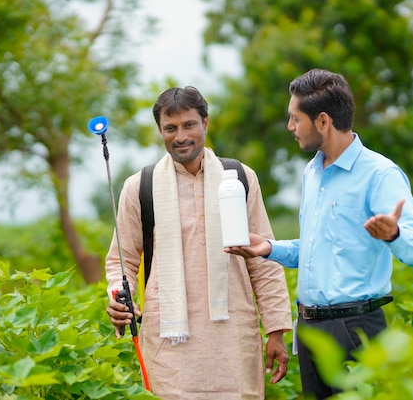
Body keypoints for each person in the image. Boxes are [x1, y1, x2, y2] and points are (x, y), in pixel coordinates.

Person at [226, 69, 413, 399]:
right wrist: (268, 247)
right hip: (311, 330)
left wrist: (393, 234)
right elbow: (314, 250)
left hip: (355, 329)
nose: (290, 127)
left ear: (323, 121)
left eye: (296, 118)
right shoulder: (312, 172)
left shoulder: (379, 175)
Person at [105, 86, 293, 400]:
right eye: (171, 128)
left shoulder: (240, 178)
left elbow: (264, 261)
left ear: (205, 123)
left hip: (233, 340)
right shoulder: (140, 187)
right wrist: (117, 295)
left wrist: (275, 331)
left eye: (189, 125)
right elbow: (120, 261)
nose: (181, 136)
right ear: (160, 131)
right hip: (169, 345)